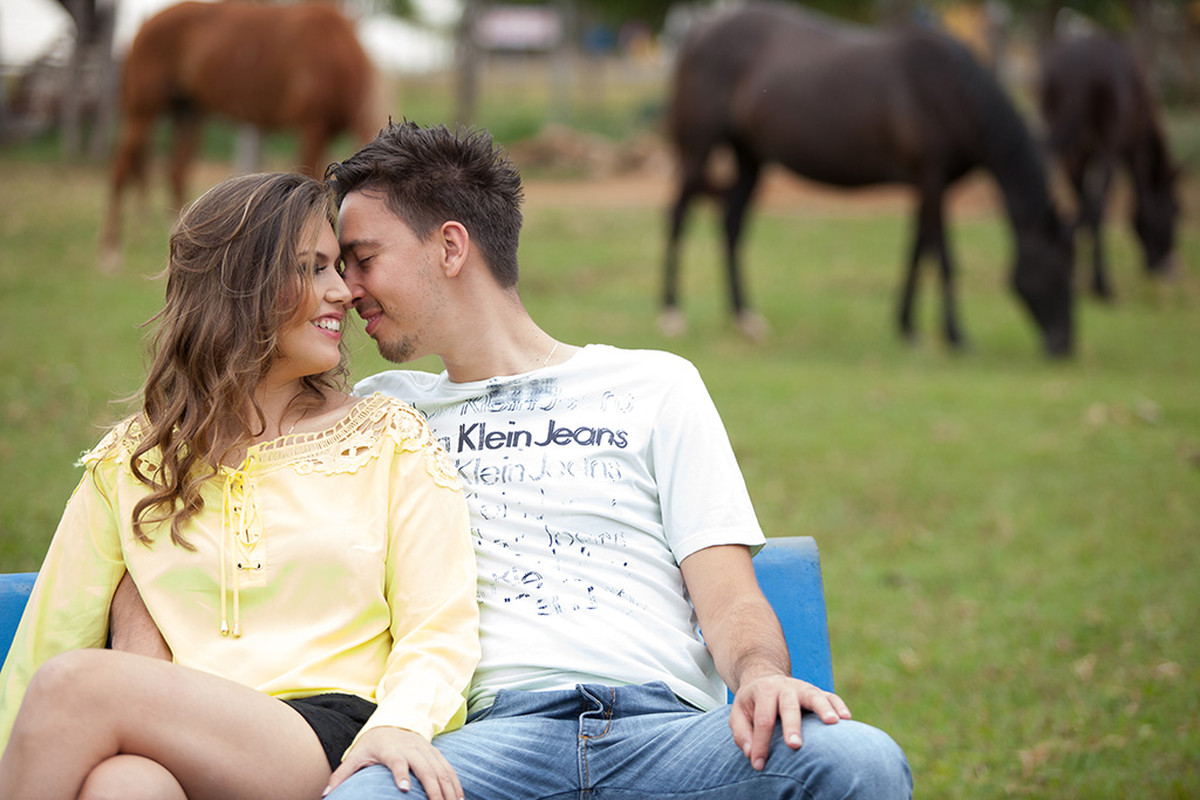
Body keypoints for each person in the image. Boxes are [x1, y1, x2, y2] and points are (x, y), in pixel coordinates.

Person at [316, 121, 913, 799]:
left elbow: (729, 598)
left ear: (451, 246)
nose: (345, 289)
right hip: (488, 742)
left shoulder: (655, 386)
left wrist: (760, 675)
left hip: (665, 735)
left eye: (361, 259)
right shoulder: (383, 411)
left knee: (859, 761)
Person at [0, 172, 480, 800]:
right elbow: (50, 635)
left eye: (337, 267)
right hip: (180, 740)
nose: (342, 292)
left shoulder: (389, 438)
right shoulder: (134, 460)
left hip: (328, 735)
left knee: (74, 685)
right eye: (312, 269)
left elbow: (440, 623)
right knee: (125, 784)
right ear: (240, 288)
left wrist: (403, 723)